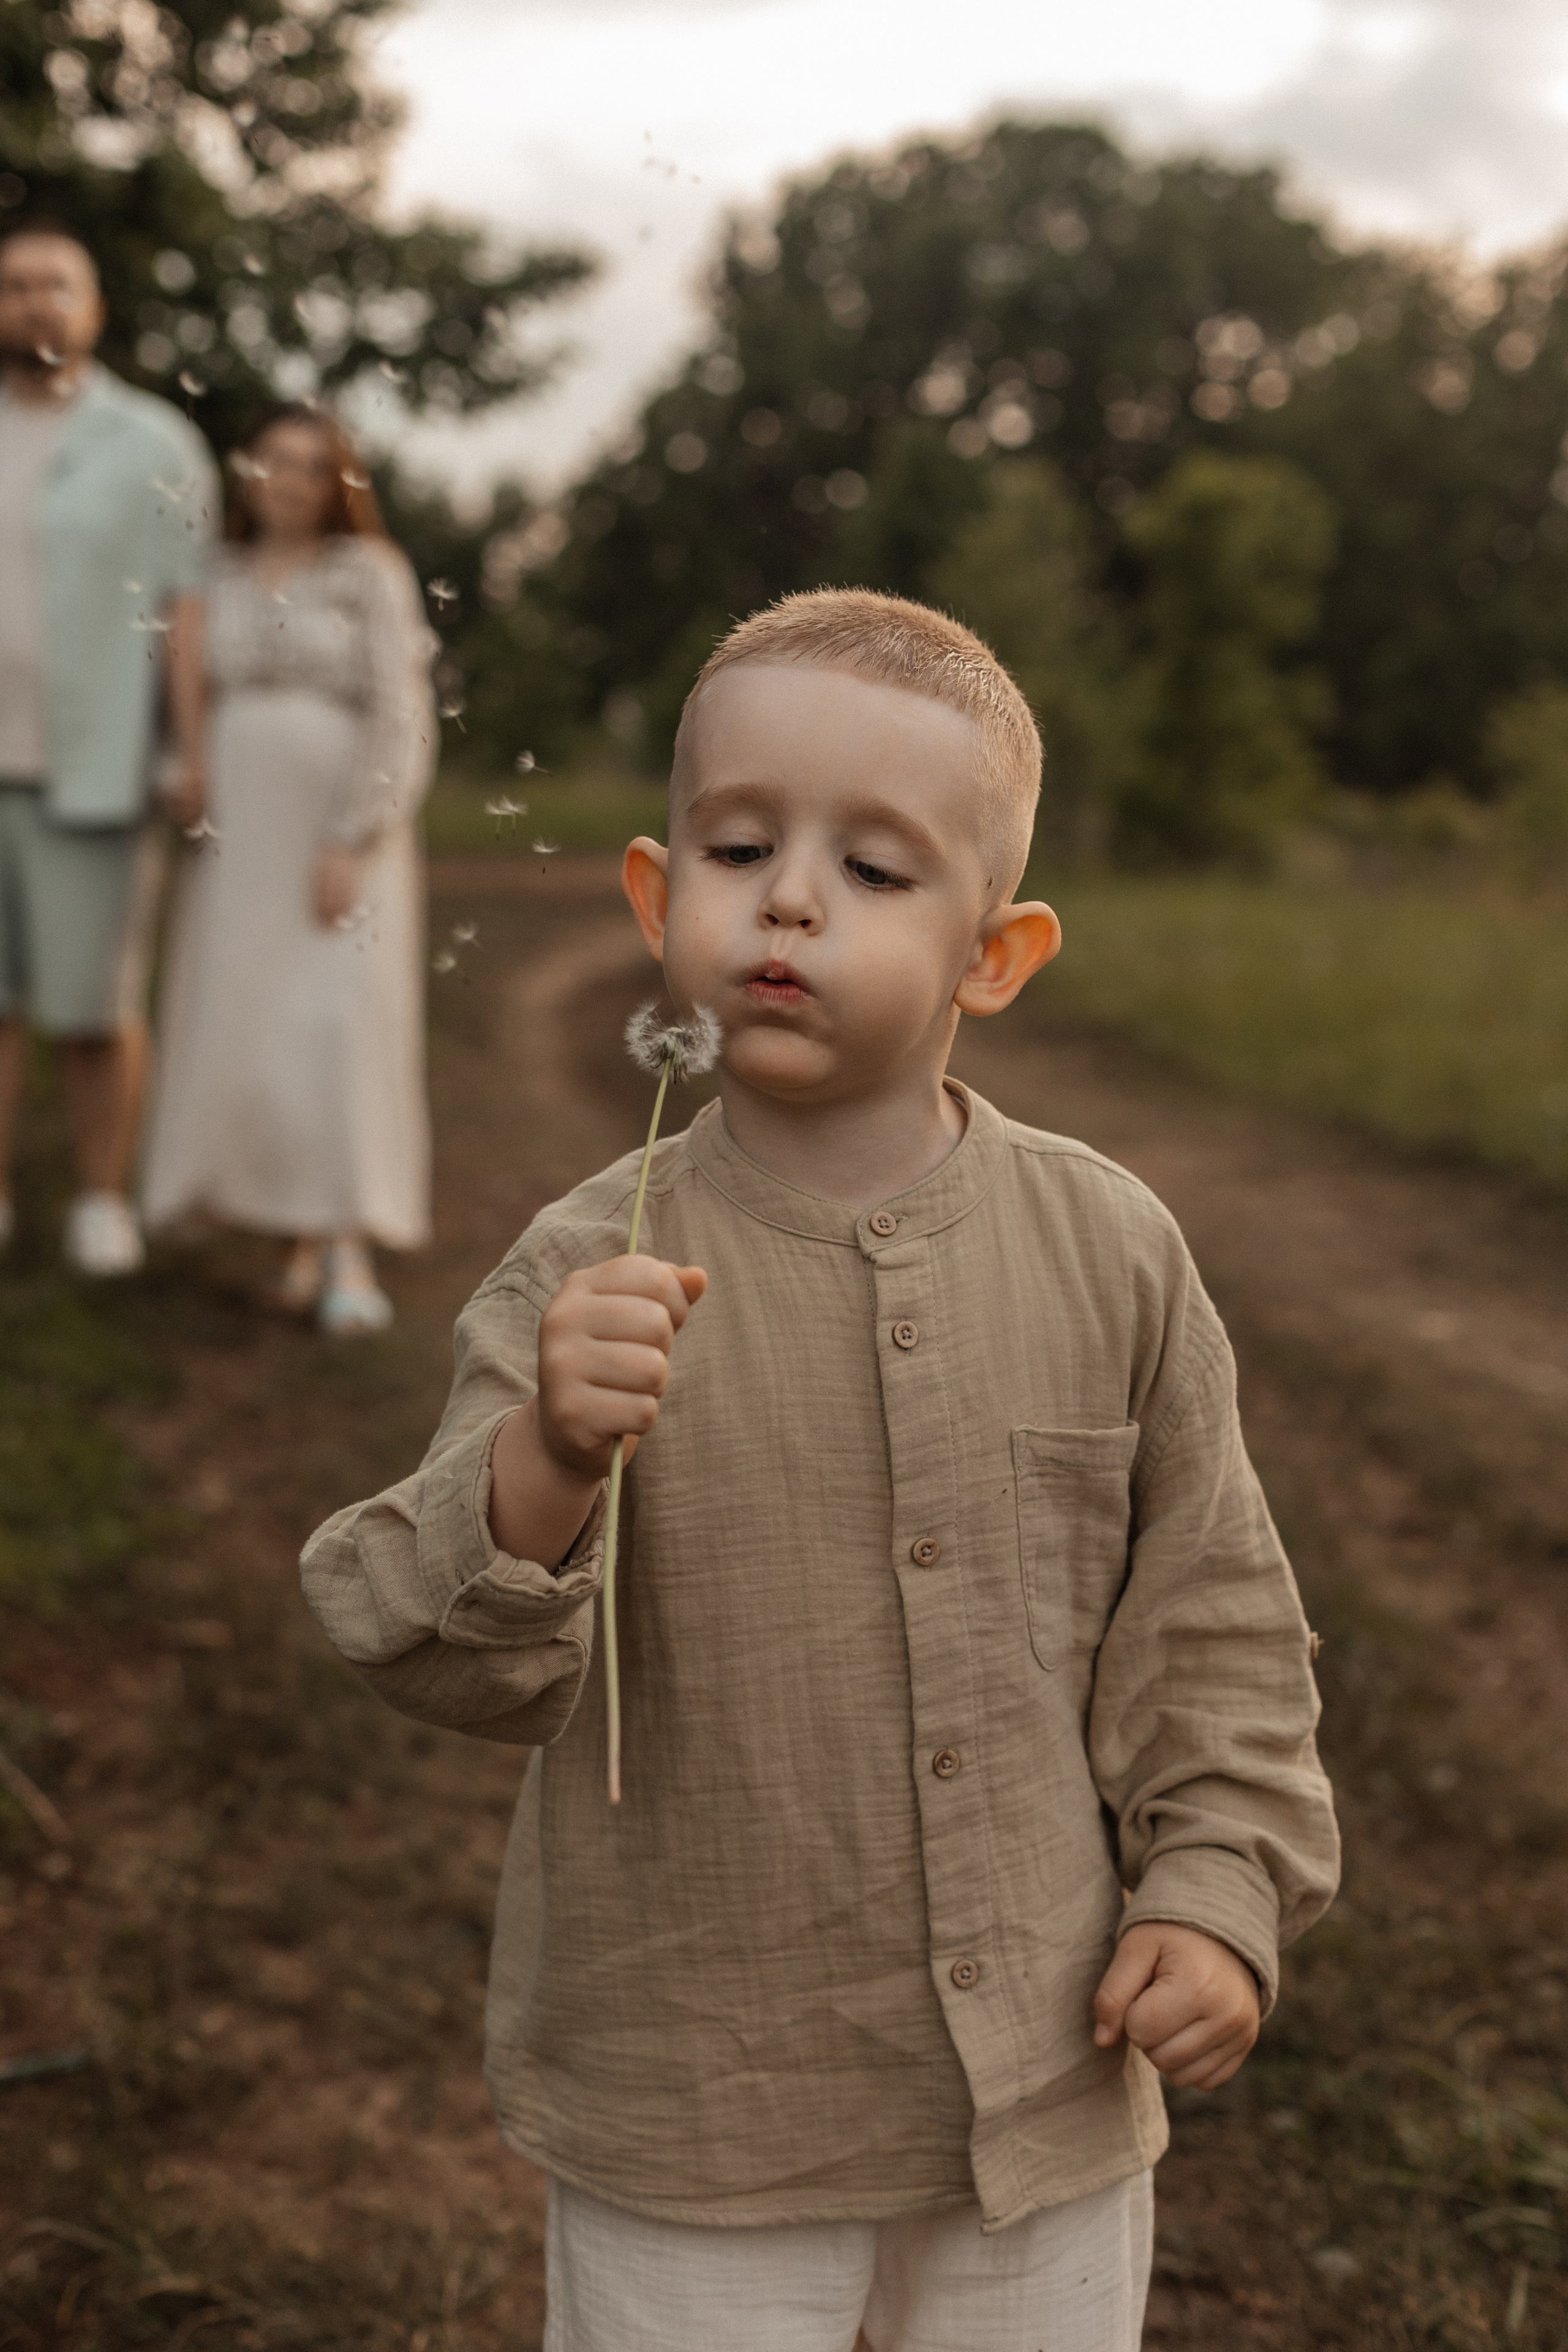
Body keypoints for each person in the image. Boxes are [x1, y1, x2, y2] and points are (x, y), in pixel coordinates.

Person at [301, 590, 1340, 2350]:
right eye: (740, 844)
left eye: (874, 870)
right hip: (698, 2104)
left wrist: (1218, 1890)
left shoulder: (1111, 1250)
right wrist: (549, 1457)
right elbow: (425, 1650)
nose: (788, 897)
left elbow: (1217, 1619)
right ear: (658, 899)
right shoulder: (588, 1272)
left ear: (992, 957)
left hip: (1045, 2088)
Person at [141, 404, 435, 1333]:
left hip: (336, 835)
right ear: (248, 471)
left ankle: (346, 1241)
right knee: (257, 1028)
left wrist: (355, 834)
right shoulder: (213, 575)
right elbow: (183, 695)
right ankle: (287, 1239)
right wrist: (182, 775)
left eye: (313, 467)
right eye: (274, 461)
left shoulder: (370, 573)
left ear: (338, 485)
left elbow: (401, 707)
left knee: (335, 1025)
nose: (290, 480)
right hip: (242, 842)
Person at [0, 220, 214, 1275]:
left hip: (98, 768)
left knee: (96, 1004)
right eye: (17, 285)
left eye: (58, 285)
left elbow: (185, 611)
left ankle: (99, 1201)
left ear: (93, 309)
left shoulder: (156, 444)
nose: (37, 302)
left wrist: (190, 748)